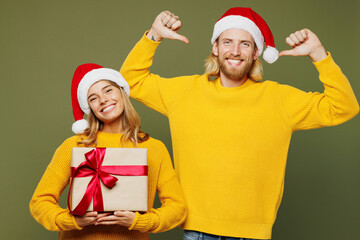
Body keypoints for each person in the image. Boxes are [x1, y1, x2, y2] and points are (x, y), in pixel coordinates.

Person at [119, 7, 359, 240]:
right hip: (197, 230)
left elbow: (344, 107)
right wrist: (154, 35)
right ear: (215, 47)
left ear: (256, 53)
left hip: (252, 234)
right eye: (227, 42)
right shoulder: (184, 92)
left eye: (245, 44)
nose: (235, 51)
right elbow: (130, 80)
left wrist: (318, 53)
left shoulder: (278, 99)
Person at [29, 63, 187, 240]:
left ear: (121, 92)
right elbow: (39, 202)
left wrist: (140, 222)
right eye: (93, 98)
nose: (103, 100)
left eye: (108, 90)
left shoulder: (153, 147)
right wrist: (72, 220)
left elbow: (177, 208)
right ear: (90, 108)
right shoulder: (74, 146)